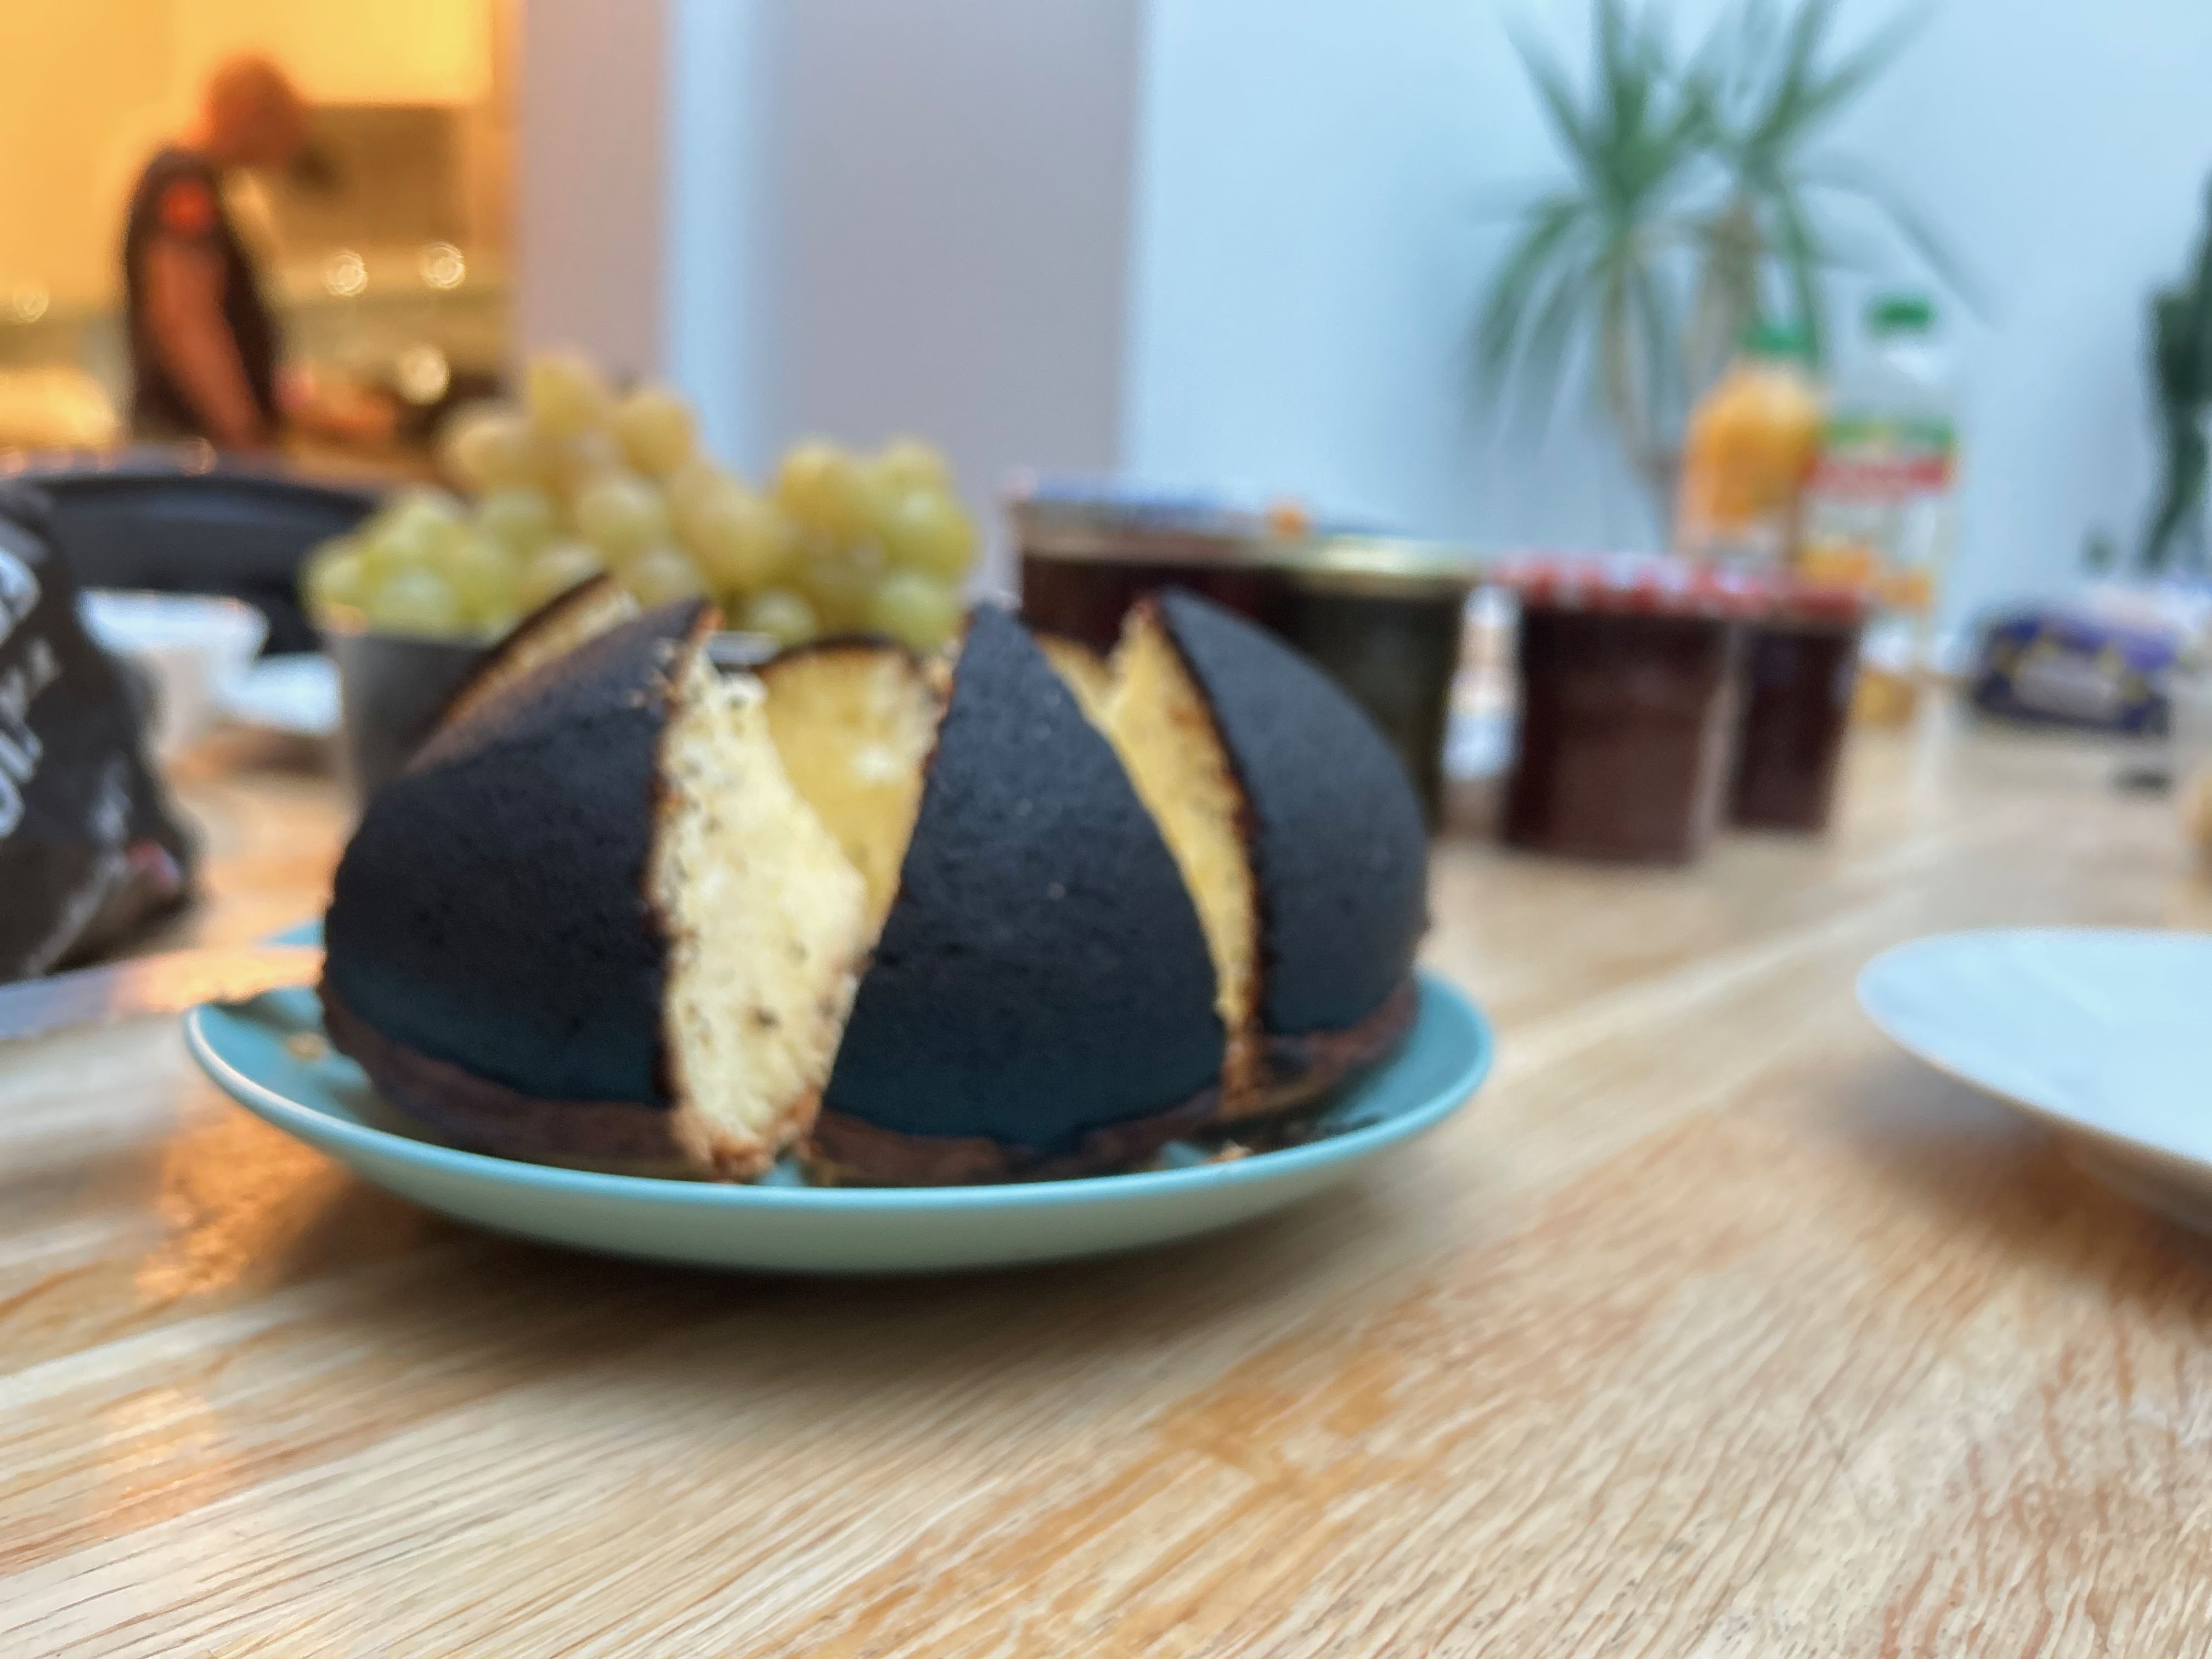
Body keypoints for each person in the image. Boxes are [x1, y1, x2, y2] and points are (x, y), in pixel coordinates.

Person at [122, 57, 308, 451]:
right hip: (190, 444)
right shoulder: (184, 184)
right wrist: (243, 433)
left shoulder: (193, 182)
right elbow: (186, 320)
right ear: (246, 114)